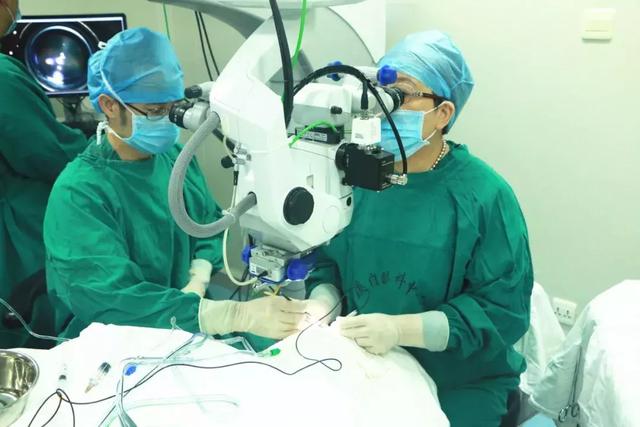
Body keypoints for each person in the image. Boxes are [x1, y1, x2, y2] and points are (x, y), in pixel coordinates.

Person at [306, 31, 533, 427]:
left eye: (402, 94)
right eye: (380, 90)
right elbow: (327, 258)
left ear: (443, 114)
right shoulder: (354, 177)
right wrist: (321, 304)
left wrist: (402, 329)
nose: (384, 105)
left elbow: (502, 310)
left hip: (459, 379)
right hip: (363, 355)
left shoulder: (484, 195)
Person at [44, 27, 309, 341]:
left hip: (182, 320)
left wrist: (200, 275)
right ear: (109, 105)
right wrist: (224, 315)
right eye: (155, 111)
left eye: (174, 108)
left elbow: (207, 224)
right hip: (110, 339)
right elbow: (109, 298)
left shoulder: (174, 160)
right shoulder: (79, 194)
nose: (168, 119)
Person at [0, 0, 88, 349]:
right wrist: (95, 148)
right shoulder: (3, 78)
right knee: (29, 329)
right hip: (16, 233)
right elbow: (46, 152)